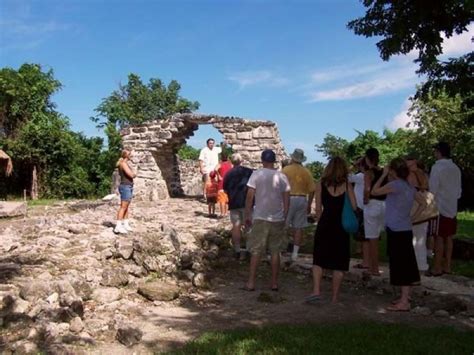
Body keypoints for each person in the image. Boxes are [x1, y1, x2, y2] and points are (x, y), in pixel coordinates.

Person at [372, 158, 425, 312]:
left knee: (401, 266)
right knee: (405, 263)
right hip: (405, 229)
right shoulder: (409, 186)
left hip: (396, 230)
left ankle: (404, 302)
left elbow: (374, 191)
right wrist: (412, 219)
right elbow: (423, 204)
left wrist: (383, 175)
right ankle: (404, 297)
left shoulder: (395, 185)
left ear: (393, 171)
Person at [306, 157, 357, 304]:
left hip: (325, 223)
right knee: (339, 262)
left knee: (319, 259)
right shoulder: (347, 185)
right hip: (341, 225)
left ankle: (316, 291)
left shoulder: (321, 184)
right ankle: (335, 297)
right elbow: (354, 206)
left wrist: (319, 220)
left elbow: (318, 209)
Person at [243, 149, 290, 291]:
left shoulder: (256, 174)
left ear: (262, 160)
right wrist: (285, 215)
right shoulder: (282, 177)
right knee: (275, 251)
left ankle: (251, 283)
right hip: (277, 218)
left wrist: (247, 214)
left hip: (260, 216)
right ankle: (274, 283)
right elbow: (287, 199)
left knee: (256, 250)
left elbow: (250, 196)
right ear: (274, 161)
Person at [427, 142, 462, 276]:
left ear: (439, 152)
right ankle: (447, 266)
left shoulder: (437, 168)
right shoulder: (455, 168)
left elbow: (433, 189)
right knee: (449, 237)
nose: (434, 154)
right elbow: (459, 190)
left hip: (439, 207)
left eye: (435, 151)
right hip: (452, 206)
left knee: (439, 237)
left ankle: (437, 267)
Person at [282, 148, 315, 262]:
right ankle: (295, 253)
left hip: (288, 198)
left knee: (283, 225)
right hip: (301, 199)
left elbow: (279, 186)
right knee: (299, 227)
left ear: (293, 158)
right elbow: (312, 189)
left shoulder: (286, 170)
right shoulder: (306, 172)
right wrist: (309, 204)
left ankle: (281, 250)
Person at [223, 153, 253, 259]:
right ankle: (249, 249)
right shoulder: (249, 172)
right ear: (241, 161)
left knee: (236, 226)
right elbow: (253, 187)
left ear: (232, 162)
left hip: (234, 203)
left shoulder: (228, 174)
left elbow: (225, 189)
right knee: (248, 226)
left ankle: (237, 249)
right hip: (247, 203)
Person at [363, 148, 386, 276]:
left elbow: (367, 188)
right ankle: (374, 266)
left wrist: (365, 199)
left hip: (372, 204)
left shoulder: (369, 172)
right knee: (377, 236)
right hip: (384, 204)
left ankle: (374, 268)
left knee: (372, 238)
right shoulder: (384, 172)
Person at [406, 155, 430, 273]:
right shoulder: (420, 173)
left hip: (416, 205)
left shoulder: (414, 173)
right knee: (418, 236)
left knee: (417, 236)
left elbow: (422, 187)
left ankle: (418, 264)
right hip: (417, 207)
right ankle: (419, 263)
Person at [350, 157, 369, 269]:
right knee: (367, 237)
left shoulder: (360, 176)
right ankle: (367, 261)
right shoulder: (369, 176)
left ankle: (365, 262)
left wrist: (353, 164)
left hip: (361, 208)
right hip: (367, 207)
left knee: (363, 238)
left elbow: (344, 175)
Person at [114, 150, 137, 234]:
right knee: (123, 207)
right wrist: (134, 173)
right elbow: (131, 175)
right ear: (126, 155)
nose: (131, 155)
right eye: (130, 154)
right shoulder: (123, 164)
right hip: (125, 187)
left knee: (126, 206)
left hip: (128, 186)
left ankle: (125, 224)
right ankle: (118, 226)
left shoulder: (124, 163)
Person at [215, 152, 233, 218]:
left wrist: (218, 175)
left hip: (221, 183)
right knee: (226, 200)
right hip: (228, 184)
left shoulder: (220, 164)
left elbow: (215, 169)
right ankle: (226, 213)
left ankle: (222, 213)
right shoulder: (230, 164)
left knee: (222, 200)